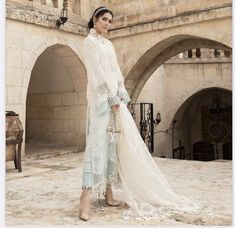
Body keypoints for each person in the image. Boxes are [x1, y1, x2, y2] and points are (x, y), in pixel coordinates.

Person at [79, 6, 202, 222]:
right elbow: (96, 72)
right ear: (95, 19)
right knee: (96, 145)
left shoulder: (109, 44)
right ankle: (85, 200)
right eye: (105, 19)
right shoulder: (89, 43)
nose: (108, 24)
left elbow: (116, 71)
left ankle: (109, 194)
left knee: (113, 144)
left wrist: (119, 95)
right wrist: (110, 98)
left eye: (110, 21)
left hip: (114, 102)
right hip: (100, 102)